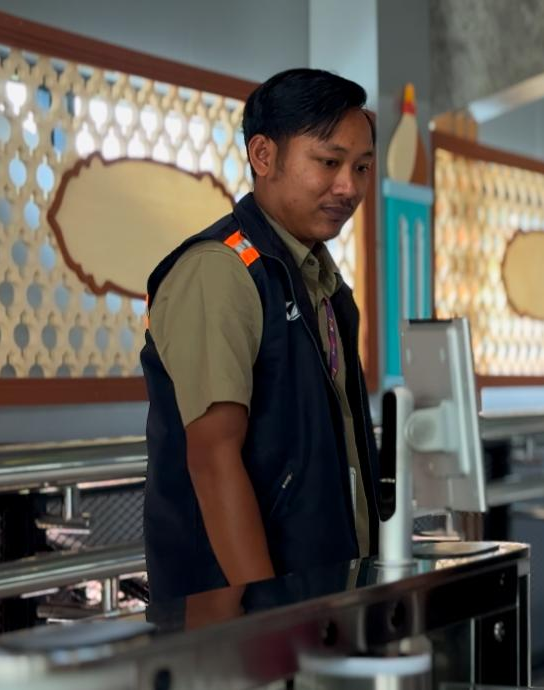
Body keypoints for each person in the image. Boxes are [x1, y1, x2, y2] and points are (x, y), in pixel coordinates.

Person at [141, 68, 380, 601]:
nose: (349, 186)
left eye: (362, 167)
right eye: (329, 162)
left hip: (318, 601)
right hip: (239, 628)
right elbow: (212, 458)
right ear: (264, 156)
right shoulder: (222, 270)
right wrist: (273, 625)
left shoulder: (318, 280)